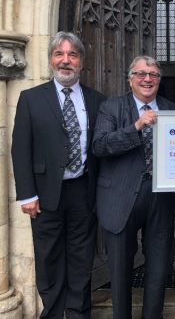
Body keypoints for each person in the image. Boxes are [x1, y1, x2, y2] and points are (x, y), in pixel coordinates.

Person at [11, 31, 106, 318]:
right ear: (51, 59)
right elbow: (20, 149)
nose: (66, 60)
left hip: (82, 191)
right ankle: (52, 313)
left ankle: (77, 313)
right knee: (48, 258)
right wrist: (27, 194)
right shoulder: (31, 99)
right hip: (44, 193)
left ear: (81, 62)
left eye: (72, 55)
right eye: (59, 54)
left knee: (81, 258)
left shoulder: (96, 100)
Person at [92, 56, 175, 319]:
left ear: (159, 79)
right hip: (120, 197)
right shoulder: (111, 108)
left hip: (161, 198)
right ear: (130, 78)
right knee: (120, 269)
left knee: (158, 267)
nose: (147, 79)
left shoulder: (173, 109)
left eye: (153, 74)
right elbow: (101, 146)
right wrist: (136, 126)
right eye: (141, 74)